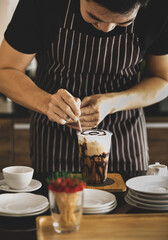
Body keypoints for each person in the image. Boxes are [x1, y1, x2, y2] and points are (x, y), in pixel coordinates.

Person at [0, 0, 168, 174]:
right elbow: (5, 70)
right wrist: (46, 103)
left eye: (123, 22)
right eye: (94, 17)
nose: (106, 28)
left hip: (124, 137)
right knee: (59, 199)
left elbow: (163, 79)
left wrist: (112, 103)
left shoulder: (159, 7)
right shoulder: (42, 3)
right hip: (54, 138)